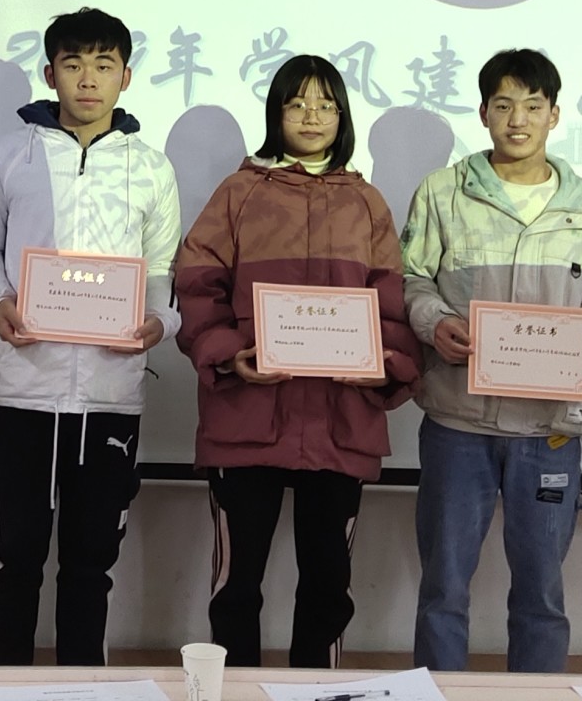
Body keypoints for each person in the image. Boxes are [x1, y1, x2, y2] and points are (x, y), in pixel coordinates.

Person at [175, 54, 422, 669]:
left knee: (328, 585)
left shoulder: (367, 203)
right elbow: (197, 287)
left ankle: (318, 690)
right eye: (297, 103)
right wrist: (231, 356)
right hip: (246, 418)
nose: (312, 116)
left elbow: (394, 305)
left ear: (343, 116)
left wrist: (383, 365)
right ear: (276, 113)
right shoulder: (237, 194)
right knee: (236, 585)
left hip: (341, 420)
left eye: (326, 104)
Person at [0, 6, 182, 665]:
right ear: (50, 72)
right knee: (15, 557)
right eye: (74, 63)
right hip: (22, 388)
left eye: (104, 65)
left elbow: (162, 269)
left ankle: (85, 687)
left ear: (126, 77)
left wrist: (159, 322)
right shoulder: (9, 154)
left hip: (111, 395)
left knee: (91, 562)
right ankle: (5, 688)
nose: (88, 79)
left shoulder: (151, 168)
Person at [400, 48, 582, 671]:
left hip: (549, 428)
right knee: (443, 589)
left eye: (532, 105)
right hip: (458, 421)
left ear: (554, 114)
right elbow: (411, 279)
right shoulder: (443, 192)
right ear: (483, 113)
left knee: (542, 595)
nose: (518, 119)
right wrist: (435, 322)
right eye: (503, 105)